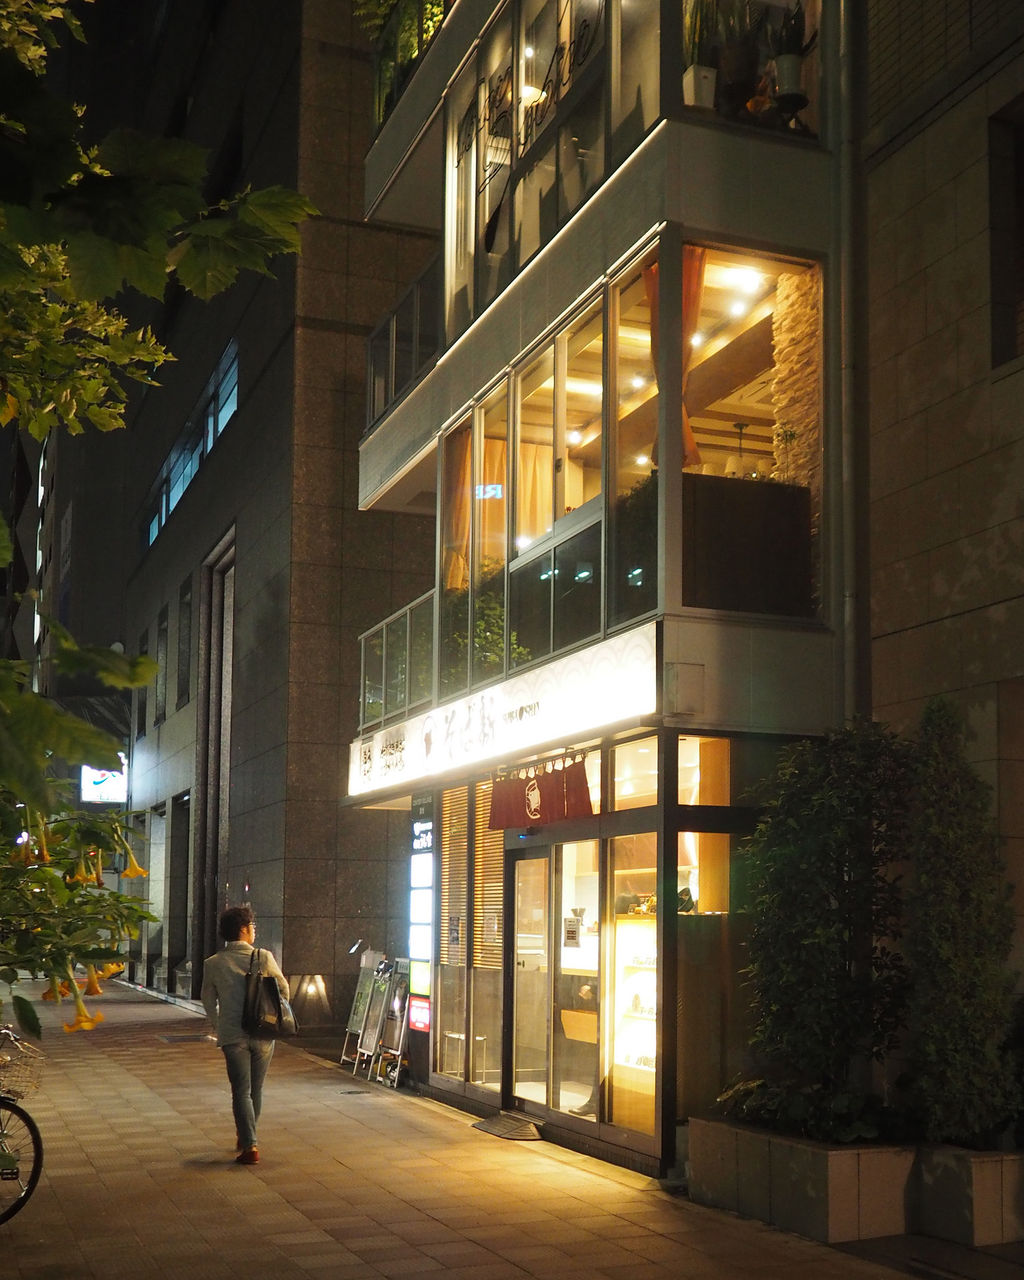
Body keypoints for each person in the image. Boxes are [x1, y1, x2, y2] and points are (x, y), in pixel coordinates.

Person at [201, 905, 289, 1165]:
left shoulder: (213, 963)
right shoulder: (264, 957)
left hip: (232, 1035)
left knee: (241, 1091)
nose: (254, 931)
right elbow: (283, 989)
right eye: (252, 926)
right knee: (256, 1088)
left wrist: (219, 1024)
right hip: (263, 1033)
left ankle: (249, 1144)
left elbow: (208, 1000)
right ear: (243, 929)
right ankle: (248, 1136)